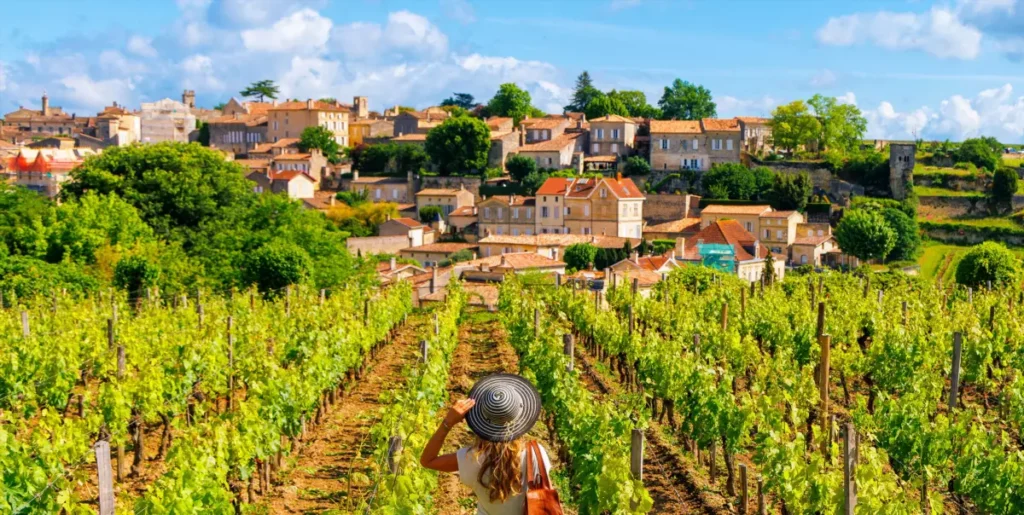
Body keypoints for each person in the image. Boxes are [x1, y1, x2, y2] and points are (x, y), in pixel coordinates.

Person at [420, 373, 554, 515]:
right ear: (519, 417)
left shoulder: (472, 459)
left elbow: (428, 460)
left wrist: (448, 422)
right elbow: (546, 490)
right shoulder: (535, 453)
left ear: (481, 419)